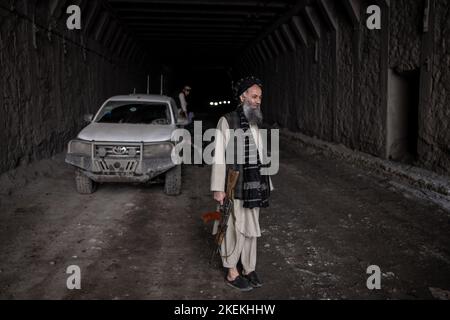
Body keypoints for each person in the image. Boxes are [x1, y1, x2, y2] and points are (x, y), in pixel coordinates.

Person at [210, 76, 274, 291]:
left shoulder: (255, 121)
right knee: (233, 229)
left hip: (254, 187)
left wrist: (267, 183)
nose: (257, 101)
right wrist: (218, 188)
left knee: (251, 229)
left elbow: (260, 156)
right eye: (254, 96)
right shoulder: (227, 120)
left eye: (260, 97)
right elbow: (219, 156)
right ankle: (232, 271)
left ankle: (248, 267)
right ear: (242, 96)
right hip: (235, 185)